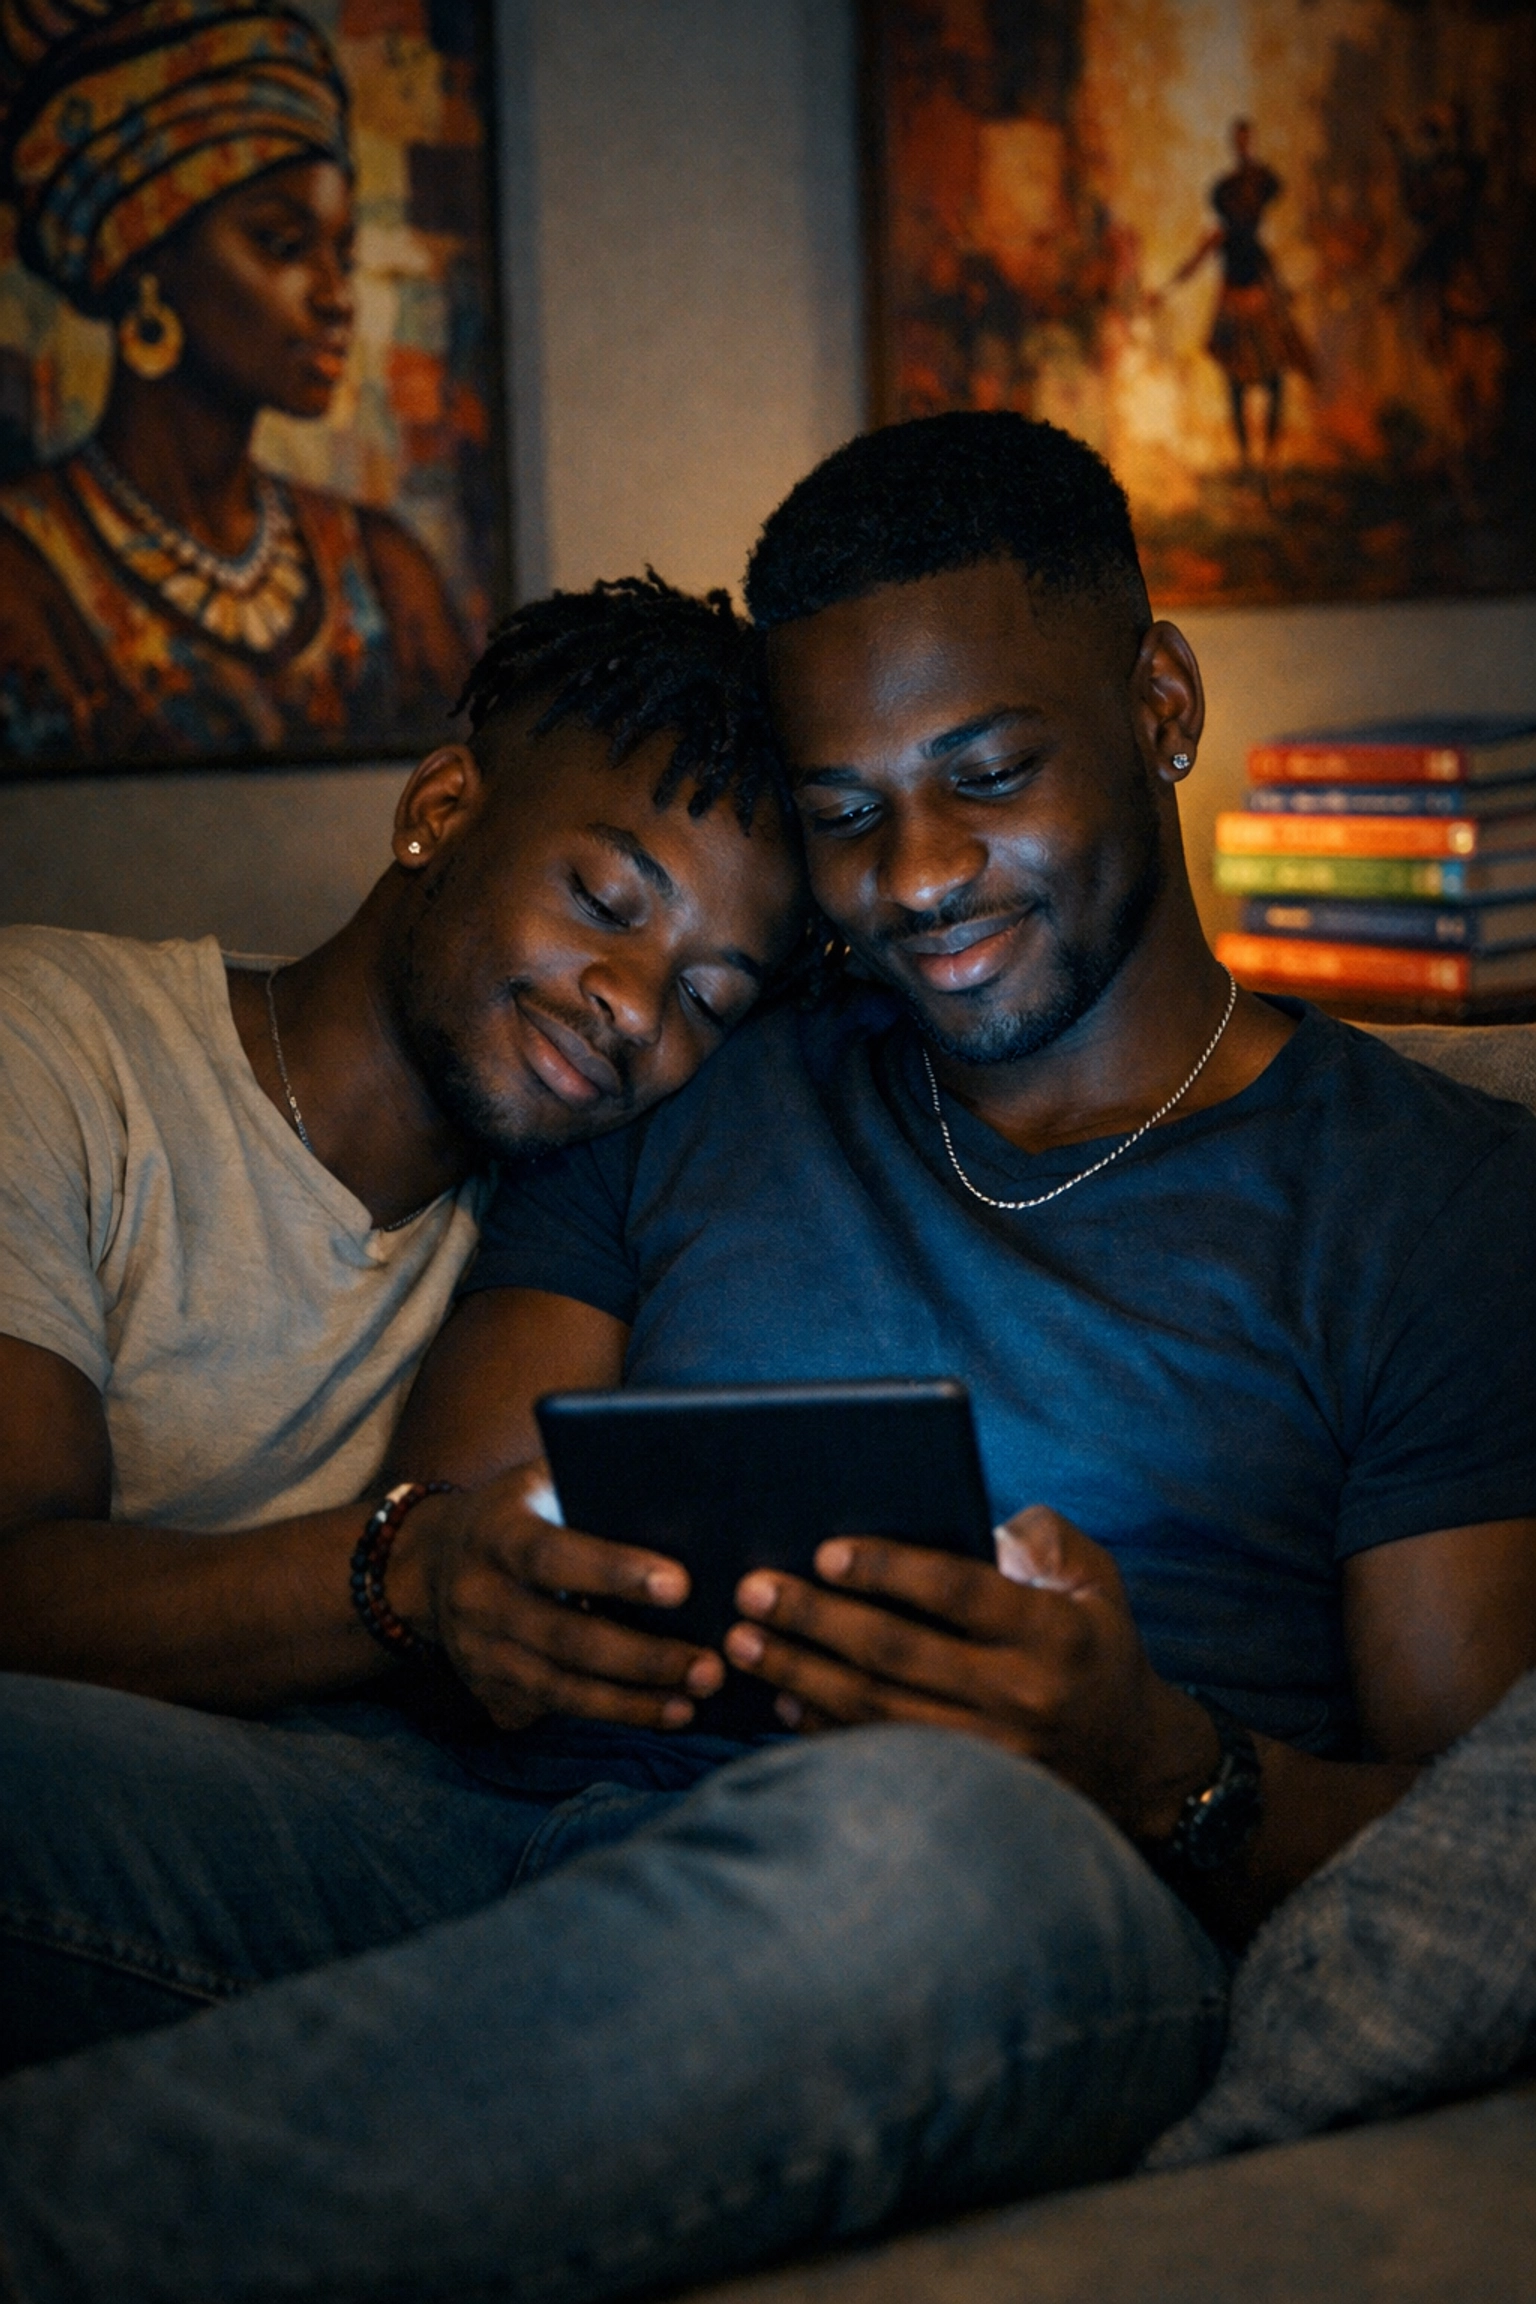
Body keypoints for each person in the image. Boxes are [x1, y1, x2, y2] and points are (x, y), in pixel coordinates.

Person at [0, 415, 1532, 2304]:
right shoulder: (711, 1076)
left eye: (985, 772)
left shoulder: (1426, 1200)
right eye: (846, 809)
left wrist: (1151, 1761)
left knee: (931, 1835)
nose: (918, 873)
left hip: (1010, 1889)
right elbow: (474, 1504)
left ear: (1157, 701)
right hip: (477, 1826)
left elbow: (1478, 1838)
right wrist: (492, 1581)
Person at [0, 570, 804, 1718]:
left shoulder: (559, 1232)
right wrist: (409, 1569)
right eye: (604, 900)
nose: (635, 1007)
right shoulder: (52, 1044)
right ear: (439, 811)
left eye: (709, 999)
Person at [0, 0, 470, 766]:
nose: (335, 294)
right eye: (283, 243)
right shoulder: (23, 578)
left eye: (342, 255)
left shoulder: (389, 573)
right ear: (146, 258)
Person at [1167, 120, 1314, 468]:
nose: (1245, 205)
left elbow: (1273, 186)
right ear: (1227, 205)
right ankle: (1249, 459)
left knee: (1275, 378)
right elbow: (1194, 262)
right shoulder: (1222, 229)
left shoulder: (1258, 191)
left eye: (1250, 200)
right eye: (1238, 201)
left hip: (1260, 298)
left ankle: (1267, 457)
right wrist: (1169, 286)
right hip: (1234, 304)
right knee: (1235, 384)